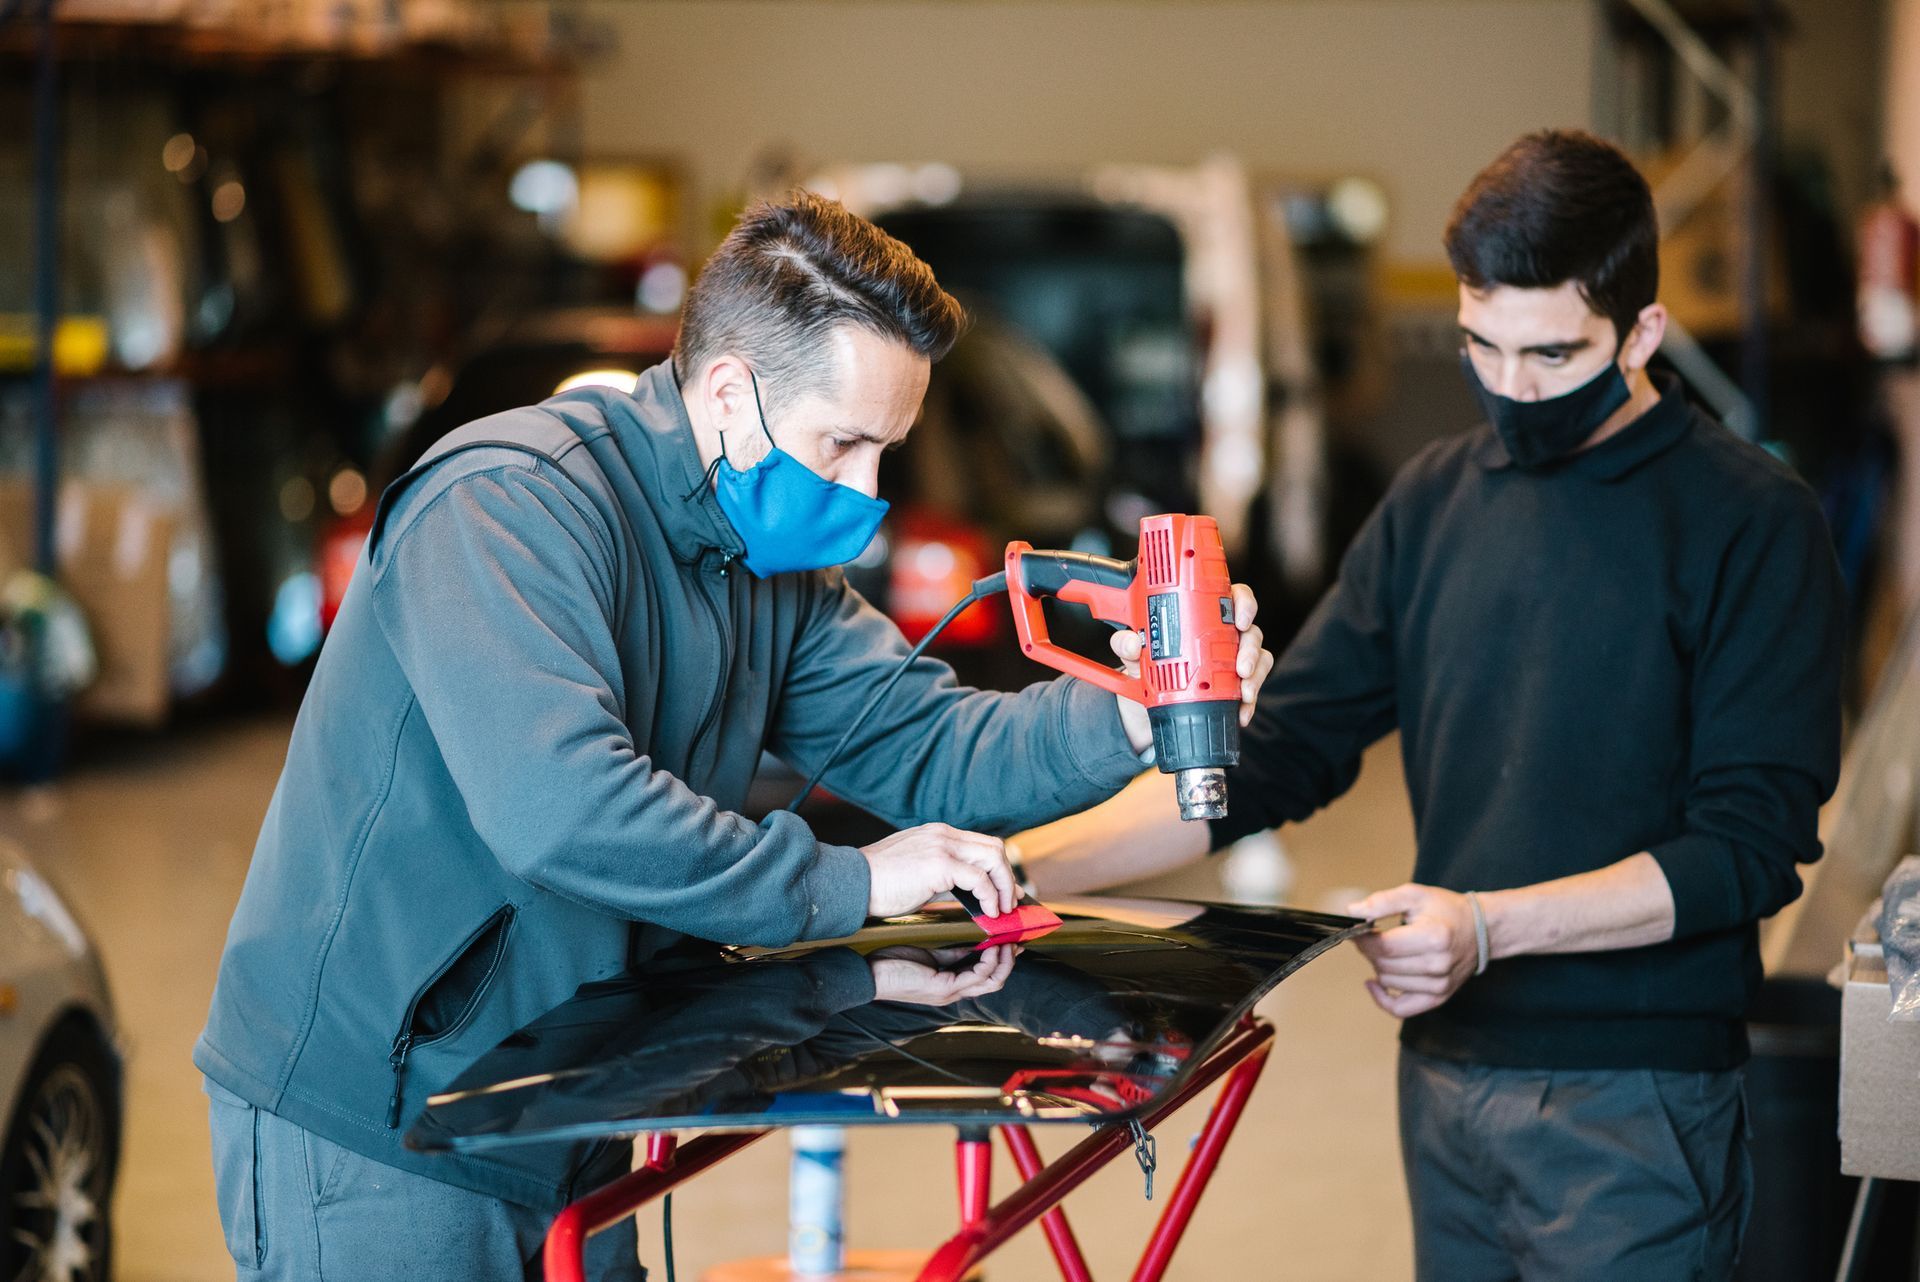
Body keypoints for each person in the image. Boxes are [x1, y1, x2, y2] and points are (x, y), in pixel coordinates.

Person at [194, 192, 1274, 1281]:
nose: (869, 491)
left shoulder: (767, 570)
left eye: (886, 451)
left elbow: (929, 741)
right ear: (729, 394)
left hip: (565, 1093)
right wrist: (851, 883)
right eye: (845, 443)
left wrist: (1132, 710)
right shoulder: (509, 508)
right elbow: (561, 806)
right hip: (382, 1121)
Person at [1006, 130, 1844, 1279]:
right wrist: (1015, 873)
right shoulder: (1437, 499)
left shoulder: (1752, 521)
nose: (1509, 388)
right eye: (1478, 345)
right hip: (1445, 1082)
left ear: (1642, 333)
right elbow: (1275, 754)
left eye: (1550, 355)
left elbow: (1745, 853)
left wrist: (1490, 925)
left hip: (1633, 1103)